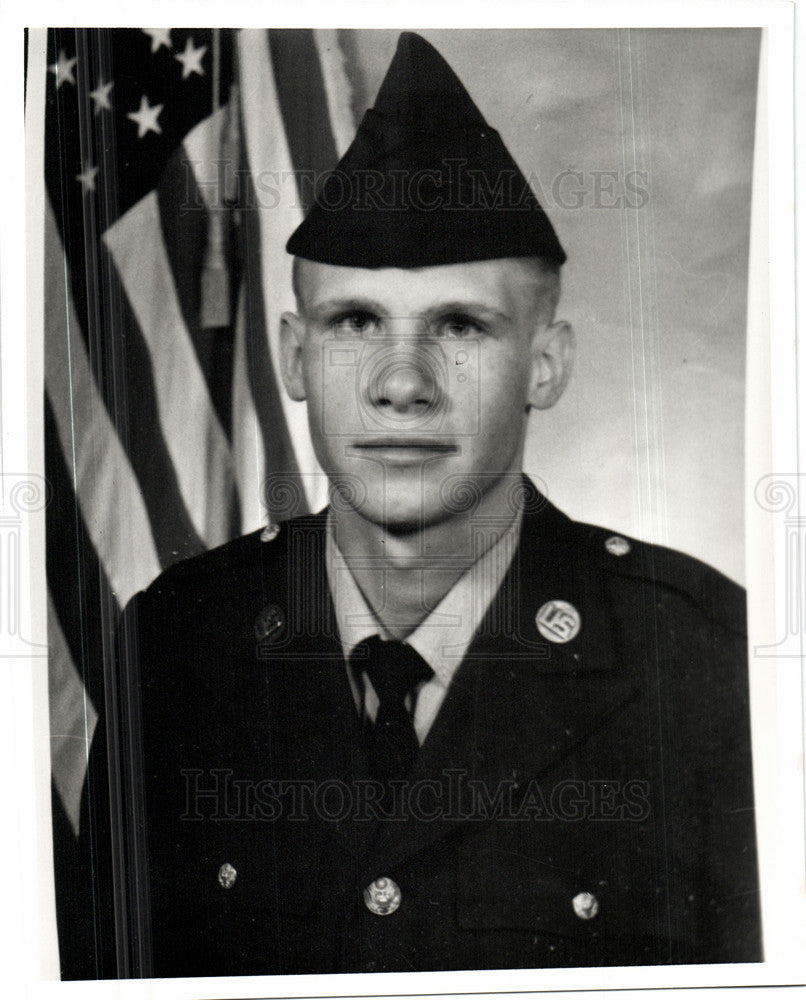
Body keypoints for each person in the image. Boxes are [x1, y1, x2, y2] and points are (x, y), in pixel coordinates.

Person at [92, 31, 761, 977]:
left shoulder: (702, 663)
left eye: (459, 325)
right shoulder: (172, 650)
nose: (401, 383)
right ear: (292, 355)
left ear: (546, 364)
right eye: (354, 321)